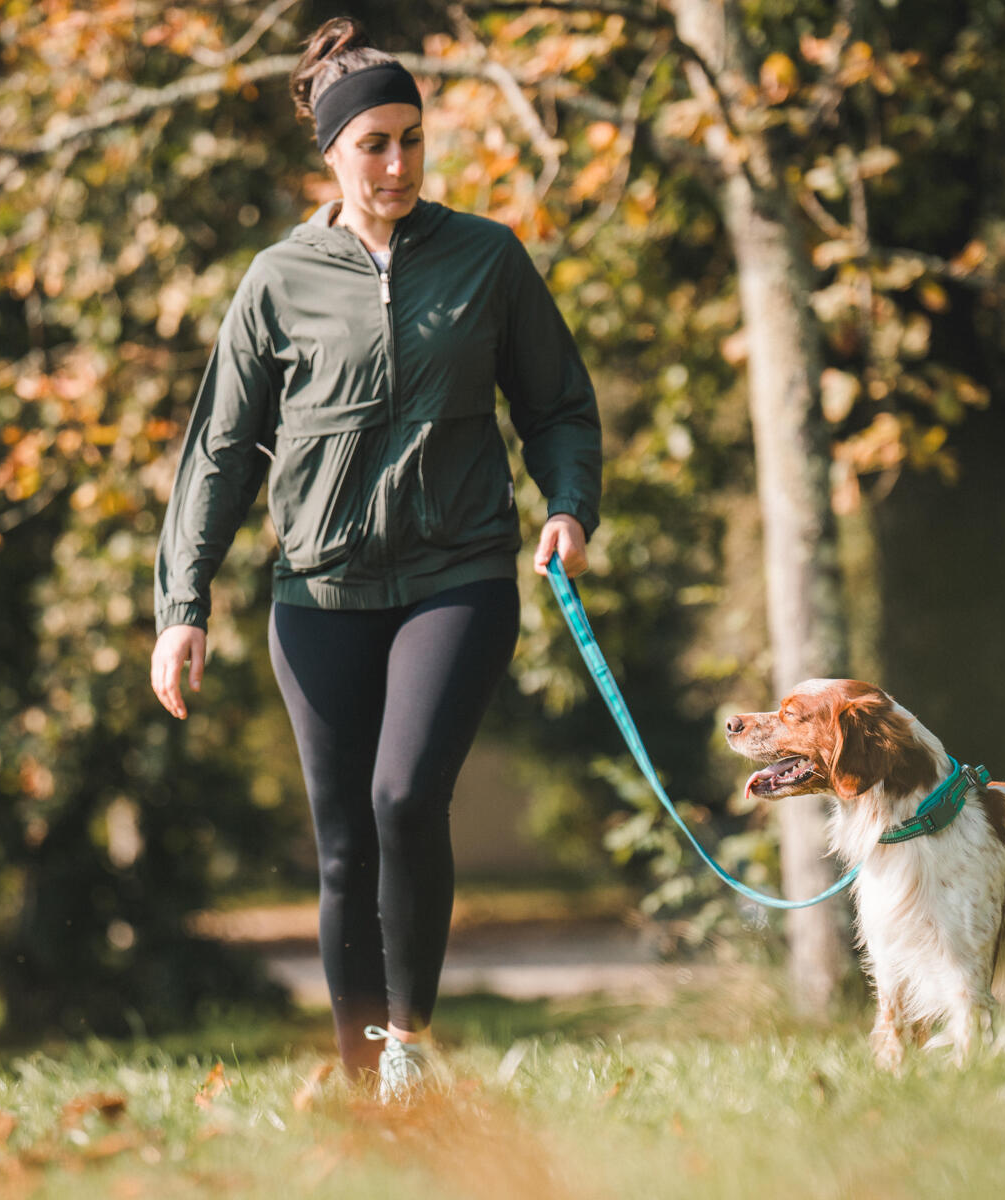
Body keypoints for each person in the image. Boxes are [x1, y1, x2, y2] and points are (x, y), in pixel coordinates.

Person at [149, 16, 602, 1102]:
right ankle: (356, 1077)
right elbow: (217, 453)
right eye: (374, 144)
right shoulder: (276, 282)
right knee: (345, 842)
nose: (398, 163)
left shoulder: (487, 259)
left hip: (460, 575)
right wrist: (181, 603)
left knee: (406, 797)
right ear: (333, 154)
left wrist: (569, 507)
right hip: (319, 592)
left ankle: (409, 1047)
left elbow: (559, 408)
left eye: (411, 138)